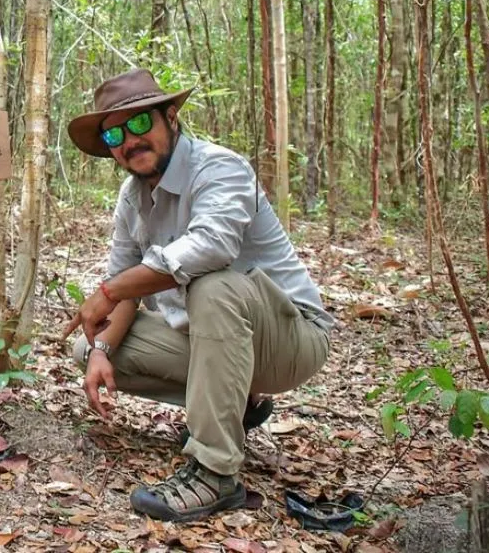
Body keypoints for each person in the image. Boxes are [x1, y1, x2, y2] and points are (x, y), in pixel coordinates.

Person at [63, 68, 333, 522]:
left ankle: (216, 473)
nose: (129, 141)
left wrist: (107, 291)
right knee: (90, 348)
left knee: (212, 283)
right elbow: (128, 287)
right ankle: (237, 405)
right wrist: (102, 348)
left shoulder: (219, 167)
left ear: (170, 117)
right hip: (214, 337)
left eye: (138, 123)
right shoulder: (132, 198)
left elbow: (211, 246)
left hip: (291, 338)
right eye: (115, 133)